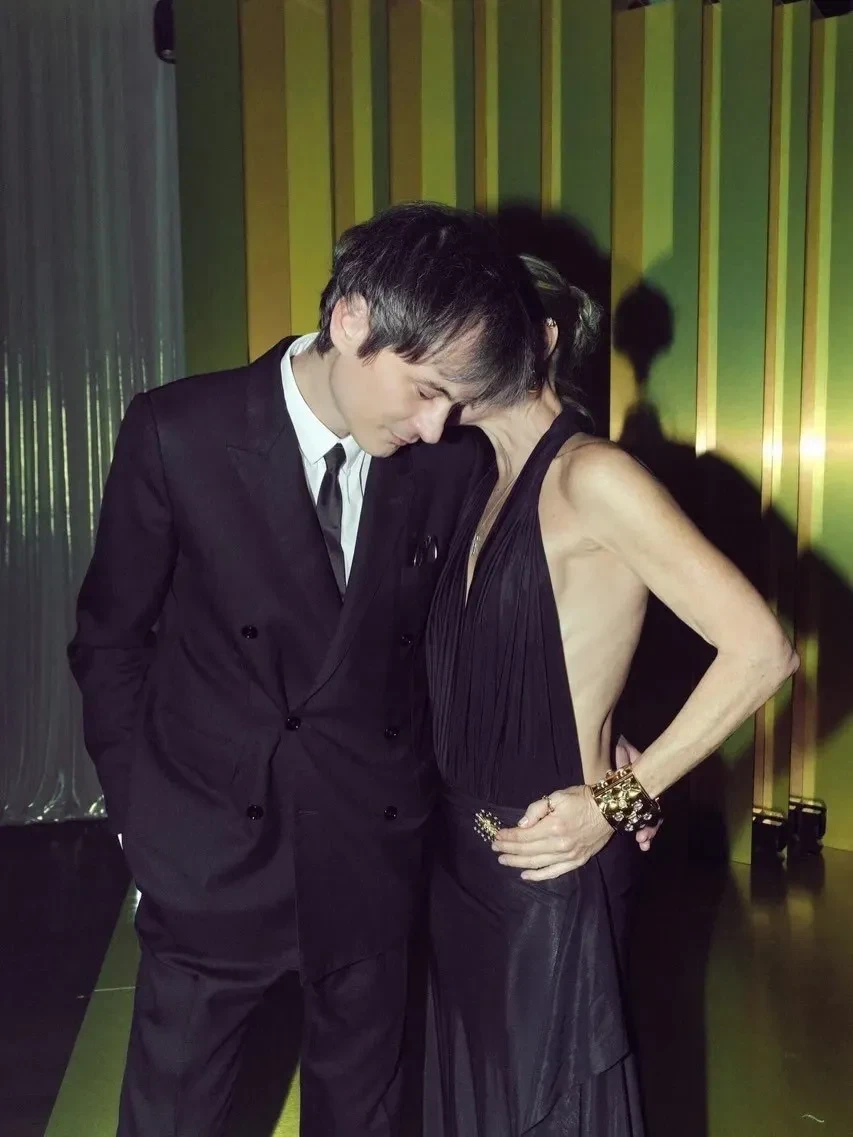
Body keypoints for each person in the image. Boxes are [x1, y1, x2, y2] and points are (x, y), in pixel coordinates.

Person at [67, 202, 554, 1137]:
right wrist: (143, 817)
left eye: (454, 401)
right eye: (424, 389)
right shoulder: (179, 430)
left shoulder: (446, 466)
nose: (436, 424)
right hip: (211, 855)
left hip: (369, 852)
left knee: (362, 1118)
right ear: (352, 319)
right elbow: (110, 640)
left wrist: (600, 746)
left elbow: (471, 647)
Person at [421, 255, 798, 1135]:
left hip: (553, 872)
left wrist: (619, 795)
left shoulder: (592, 476)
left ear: (544, 339)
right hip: (462, 865)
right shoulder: (480, 479)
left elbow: (761, 650)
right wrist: (610, 725)